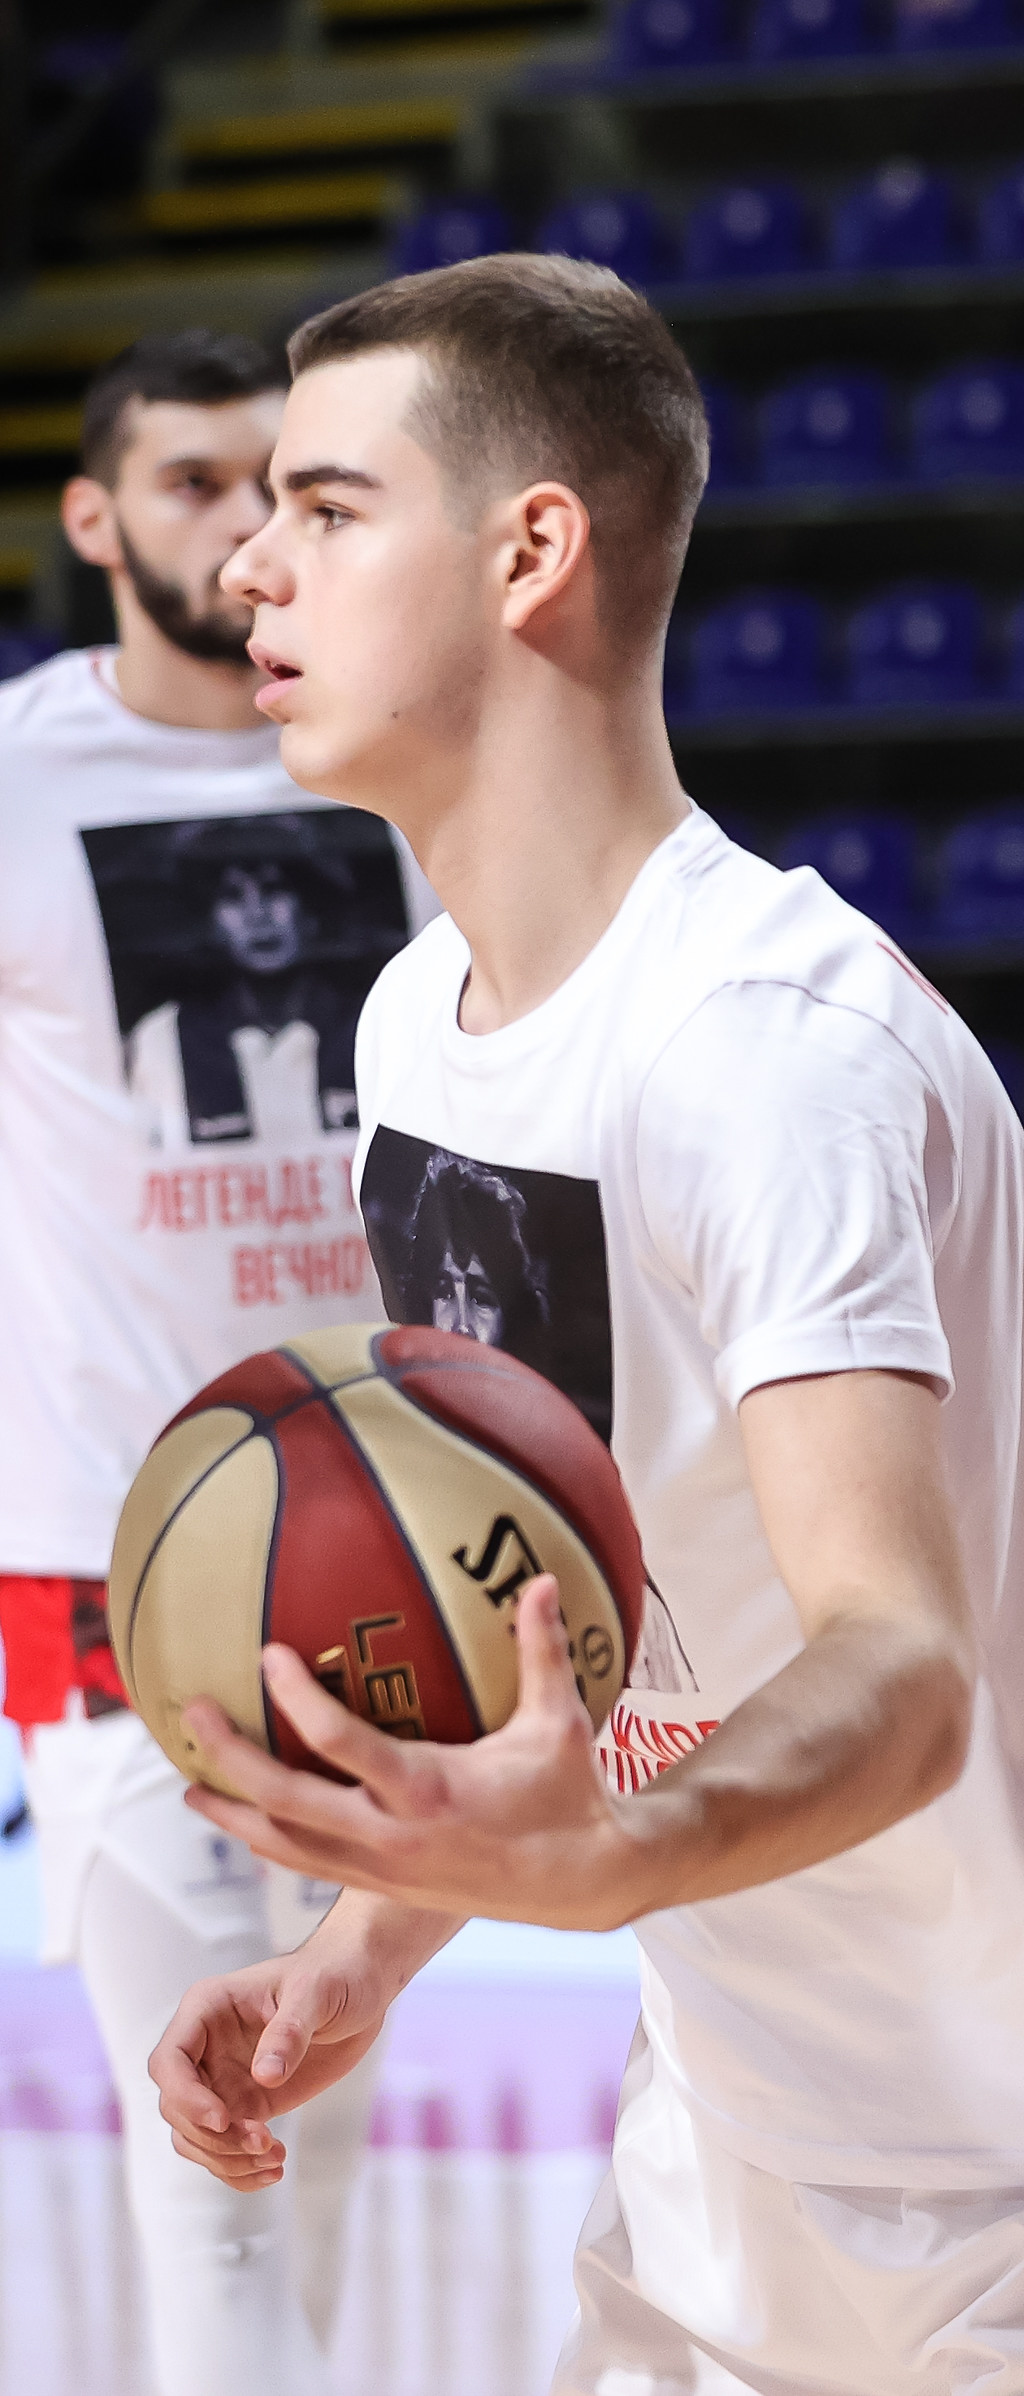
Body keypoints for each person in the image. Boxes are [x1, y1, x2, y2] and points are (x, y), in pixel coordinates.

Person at [148, 253, 1024, 2396]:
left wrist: (599, 1862)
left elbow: (900, 1660)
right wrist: (367, 1946)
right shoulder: (421, 1026)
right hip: (724, 2140)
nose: (246, 559)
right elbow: (554, 1620)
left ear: (531, 553)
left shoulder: (763, 1045)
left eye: (324, 507)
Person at [0, 328, 398, 2396]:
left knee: (310, 2148)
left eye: (287, 487)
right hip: (103, 1579)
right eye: (189, 486)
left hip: (382, 1566)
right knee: (218, 2173)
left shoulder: (388, 755)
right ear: (91, 519)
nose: (245, 530)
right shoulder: (12, 782)